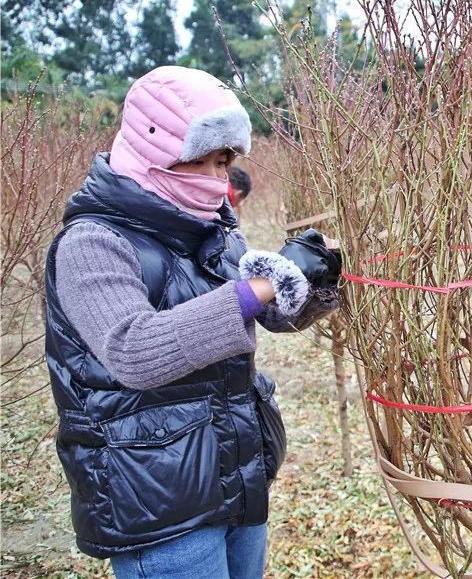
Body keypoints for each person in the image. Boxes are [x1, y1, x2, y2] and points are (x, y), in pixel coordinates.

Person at [43, 66, 341, 578]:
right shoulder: (92, 243)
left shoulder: (210, 230)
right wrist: (265, 283)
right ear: (150, 152)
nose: (212, 179)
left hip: (234, 473)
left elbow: (263, 314)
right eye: (195, 163)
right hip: (155, 499)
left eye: (222, 162)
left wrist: (313, 283)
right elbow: (133, 351)